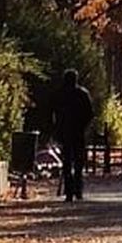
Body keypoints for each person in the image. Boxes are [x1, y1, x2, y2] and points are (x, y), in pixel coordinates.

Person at [52, 67, 95, 203]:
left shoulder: (60, 94)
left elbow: (54, 113)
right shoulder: (82, 94)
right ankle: (78, 190)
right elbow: (89, 113)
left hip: (65, 132)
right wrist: (83, 126)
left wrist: (57, 128)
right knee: (78, 162)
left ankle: (69, 192)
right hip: (78, 132)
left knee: (67, 162)